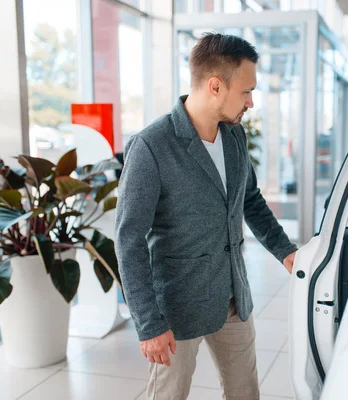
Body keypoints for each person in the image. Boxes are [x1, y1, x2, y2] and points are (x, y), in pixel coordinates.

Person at [115, 33, 298, 400]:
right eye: (246, 91)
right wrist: (149, 324)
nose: (250, 102)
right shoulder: (152, 146)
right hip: (177, 307)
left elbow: (250, 199)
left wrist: (285, 250)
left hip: (233, 296)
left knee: (245, 392)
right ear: (216, 86)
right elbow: (129, 238)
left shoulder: (234, 137)